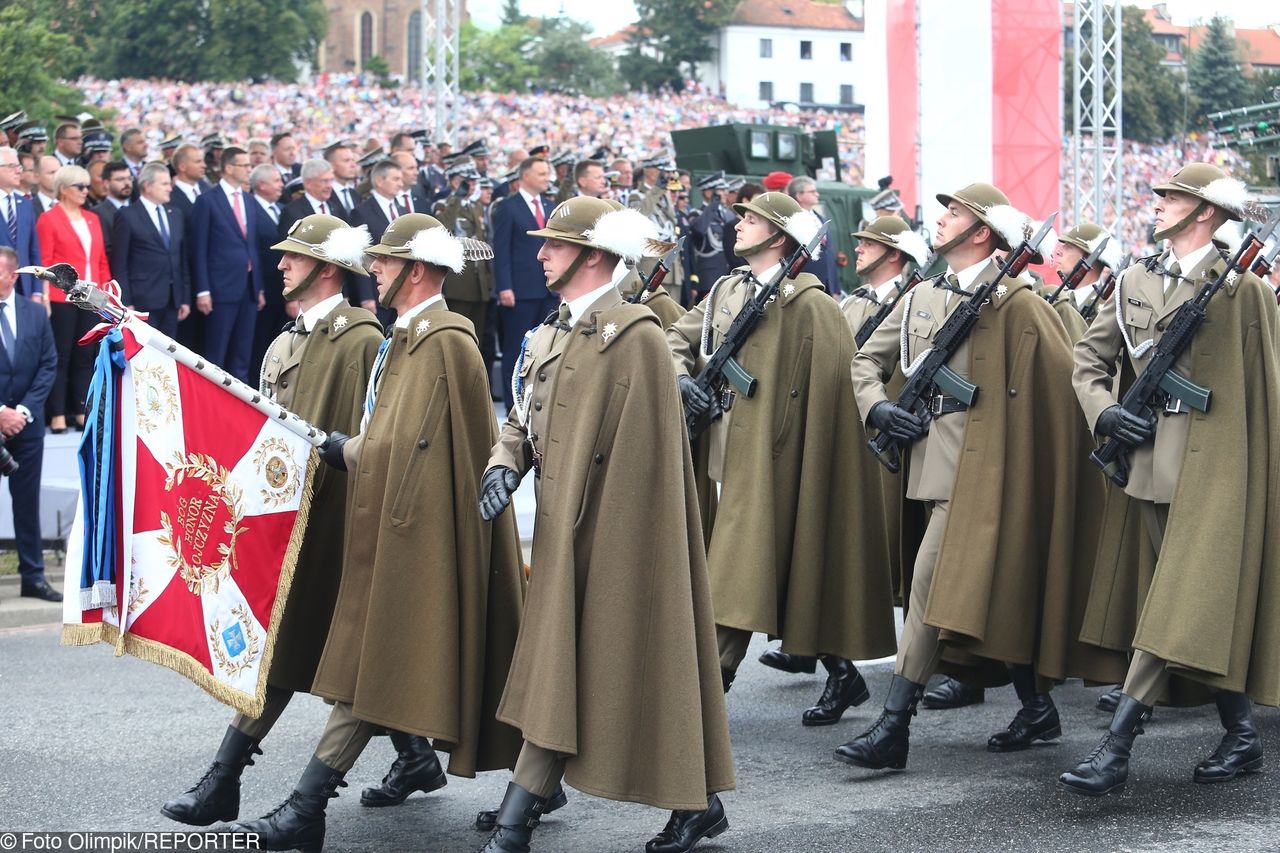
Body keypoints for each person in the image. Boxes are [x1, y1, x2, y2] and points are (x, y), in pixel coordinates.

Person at [233, 213, 526, 851]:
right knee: (382, 669)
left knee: (382, 669)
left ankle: (303, 810)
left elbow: (433, 452)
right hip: (388, 527)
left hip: (416, 534)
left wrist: (351, 452)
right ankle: (530, 777)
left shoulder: (447, 338)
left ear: (416, 271)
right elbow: (396, 440)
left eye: (387, 263)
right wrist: (354, 451)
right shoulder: (410, 335)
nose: (376, 270)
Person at [838, 182, 1125, 772]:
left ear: (983, 233)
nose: (941, 220)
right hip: (929, 467)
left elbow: (1059, 390)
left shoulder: (1018, 304)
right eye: (943, 212)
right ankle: (1037, 707)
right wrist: (877, 406)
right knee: (989, 593)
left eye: (955, 213)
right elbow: (866, 360)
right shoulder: (921, 297)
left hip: (986, 478)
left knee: (929, 592)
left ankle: (893, 729)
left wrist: (1017, 467)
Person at [478, 195, 734, 853]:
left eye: (554, 245)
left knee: (604, 669)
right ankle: (696, 801)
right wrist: (506, 462)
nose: (540, 254)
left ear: (593, 254)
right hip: (563, 535)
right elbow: (522, 416)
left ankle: (514, 823)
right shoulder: (553, 331)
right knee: (581, 672)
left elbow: (647, 467)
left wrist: (610, 548)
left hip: (611, 540)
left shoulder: (638, 336)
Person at [1061, 163, 1280, 796]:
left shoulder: (1244, 293)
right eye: (1158, 196)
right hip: (1148, 465)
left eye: (1172, 198)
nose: (1157, 205)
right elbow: (1089, 361)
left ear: (1206, 213)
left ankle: (1117, 747)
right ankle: (1242, 736)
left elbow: (1259, 393)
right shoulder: (1134, 278)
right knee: (1179, 606)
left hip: (1216, 472)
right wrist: (1106, 413)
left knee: (1173, 606)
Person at [161, 214, 384, 837]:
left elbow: (365, 438)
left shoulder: (362, 339)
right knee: (294, 647)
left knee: (321, 652)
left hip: (335, 520)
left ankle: (230, 779)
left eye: (295, 256)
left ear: (328, 268)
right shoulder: (285, 341)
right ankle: (225, 778)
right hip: (285, 520)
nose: (281, 265)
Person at [668, 191, 897, 728]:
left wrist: (802, 463)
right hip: (724, 448)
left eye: (750, 220)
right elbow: (676, 339)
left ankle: (704, 699)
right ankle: (842, 674)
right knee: (780, 571)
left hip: (778, 460)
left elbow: (831, 402)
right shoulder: (727, 289)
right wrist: (682, 377)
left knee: (736, 573)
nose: (738, 226)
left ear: (778, 236)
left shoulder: (812, 306)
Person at [0, 247, 58, 601]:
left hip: (27, 424)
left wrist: (22, 412)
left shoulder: (35, 314)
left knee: (26, 502)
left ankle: (32, 577)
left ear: (11, 277)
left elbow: (49, 365)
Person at [36, 164, 110, 433]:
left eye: (87, 186)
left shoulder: (92, 218)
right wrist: (44, 296)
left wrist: (104, 295)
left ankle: (80, 408)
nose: (85, 191)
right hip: (61, 297)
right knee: (62, 356)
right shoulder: (49, 219)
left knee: (85, 354)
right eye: (80, 187)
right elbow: (45, 262)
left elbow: (100, 260)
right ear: (64, 189)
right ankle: (57, 412)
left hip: (90, 297)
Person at [189, 146, 263, 384]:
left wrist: (258, 286)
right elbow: (198, 249)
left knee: (243, 353)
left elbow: (252, 245)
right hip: (220, 289)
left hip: (249, 288)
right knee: (216, 353)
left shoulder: (250, 201)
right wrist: (203, 289)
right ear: (229, 168)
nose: (249, 170)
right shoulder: (207, 201)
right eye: (245, 165)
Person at [491, 156, 556, 409]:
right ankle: (513, 405)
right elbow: (502, 249)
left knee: (546, 346)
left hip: (548, 289)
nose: (546, 178)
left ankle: (540, 402)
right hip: (519, 291)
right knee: (516, 349)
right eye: (541, 173)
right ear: (525, 176)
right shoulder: (508, 207)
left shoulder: (551, 205)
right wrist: (504, 287)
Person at [109, 163, 189, 338]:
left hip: (172, 300)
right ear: (148, 186)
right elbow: (120, 263)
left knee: (169, 353)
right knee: (144, 357)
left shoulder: (175, 214)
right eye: (164, 184)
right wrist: (126, 302)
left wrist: (184, 298)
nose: (170, 188)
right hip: (142, 300)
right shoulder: (128, 215)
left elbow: (181, 259)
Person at [786, 176, 840, 296]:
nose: (817, 194)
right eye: (812, 191)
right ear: (799, 195)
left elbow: (829, 254)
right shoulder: (792, 219)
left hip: (826, 285)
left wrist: (835, 287)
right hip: (804, 284)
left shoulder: (820, 218)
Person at [0, 146, 42, 300]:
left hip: (25, 290)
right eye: (12, 166)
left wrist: (37, 292)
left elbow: (34, 251)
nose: (19, 171)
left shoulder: (25, 204)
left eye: (19, 167)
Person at [90, 161, 133, 255]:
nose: (127, 183)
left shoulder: (138, 209)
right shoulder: (98, 213)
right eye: (120, 179)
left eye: (129, 178)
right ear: (106, 183)